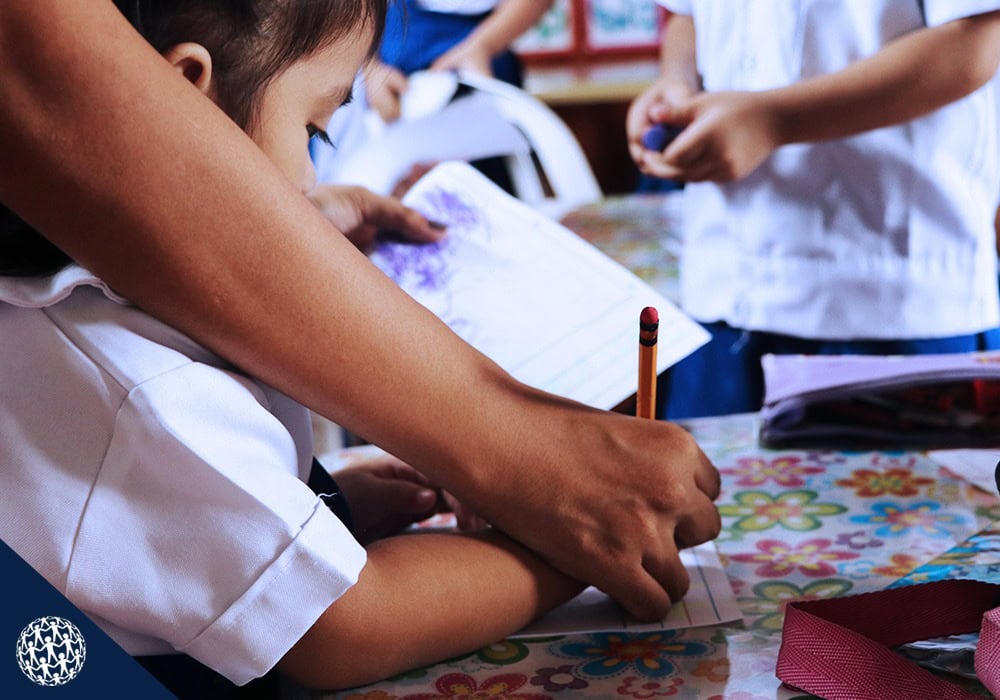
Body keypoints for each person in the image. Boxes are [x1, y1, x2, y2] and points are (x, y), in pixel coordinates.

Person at [0, 0, 720, 648]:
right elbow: (342, 625)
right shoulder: (145, 384)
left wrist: (328, 501)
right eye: (315, 130)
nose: (313, 182)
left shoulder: (73, 311)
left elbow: (172, 547)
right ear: (186, 91)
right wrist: (567, 546)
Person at [628, 1, 1000, 419]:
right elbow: (687, 15)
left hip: (893, 299)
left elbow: (978, 39)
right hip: (720, 291)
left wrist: (773, 121)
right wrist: (675, 87)